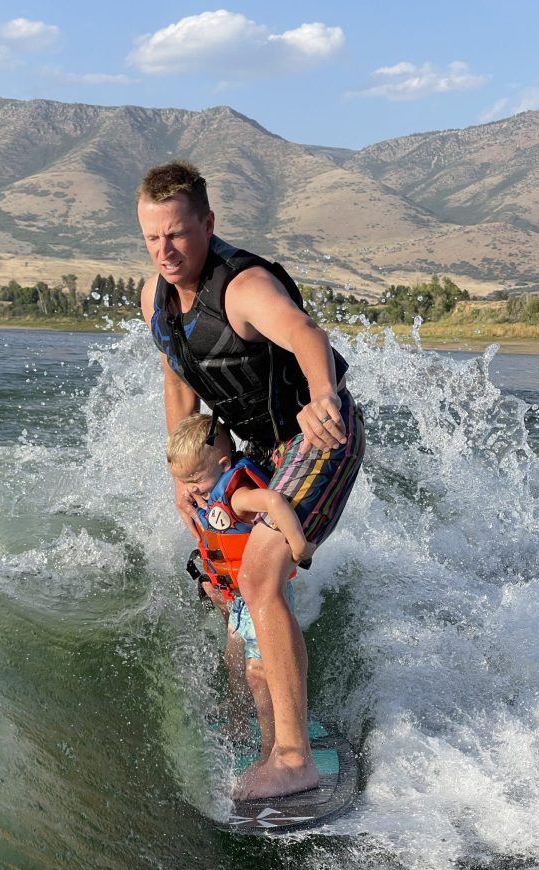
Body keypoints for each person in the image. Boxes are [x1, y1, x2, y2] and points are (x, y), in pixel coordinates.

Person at [137, 160, 365, 801]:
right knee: (232, 582)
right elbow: (178, 378)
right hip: (259, 456)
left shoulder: (244, 288)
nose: (165, 251)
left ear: (207, 224)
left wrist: (322, 396)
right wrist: (183, 475)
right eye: (153, 238)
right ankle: (269, 714)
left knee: (261, 570)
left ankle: (294, 759)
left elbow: (304, 334)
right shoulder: (155, 293)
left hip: (318, 435)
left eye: (178, 235)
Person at [166, 412, 314, 760]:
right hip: (238, 597)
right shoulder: (210, 495)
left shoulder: (236, 496)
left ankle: (270, 749)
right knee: (233, 659)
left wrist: (299, 544)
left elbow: (275, 501)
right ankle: (238, 720)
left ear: (223, 463)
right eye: (182, 481)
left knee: (257, 674)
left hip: (260, 595)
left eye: (194, 479)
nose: (188, 490)